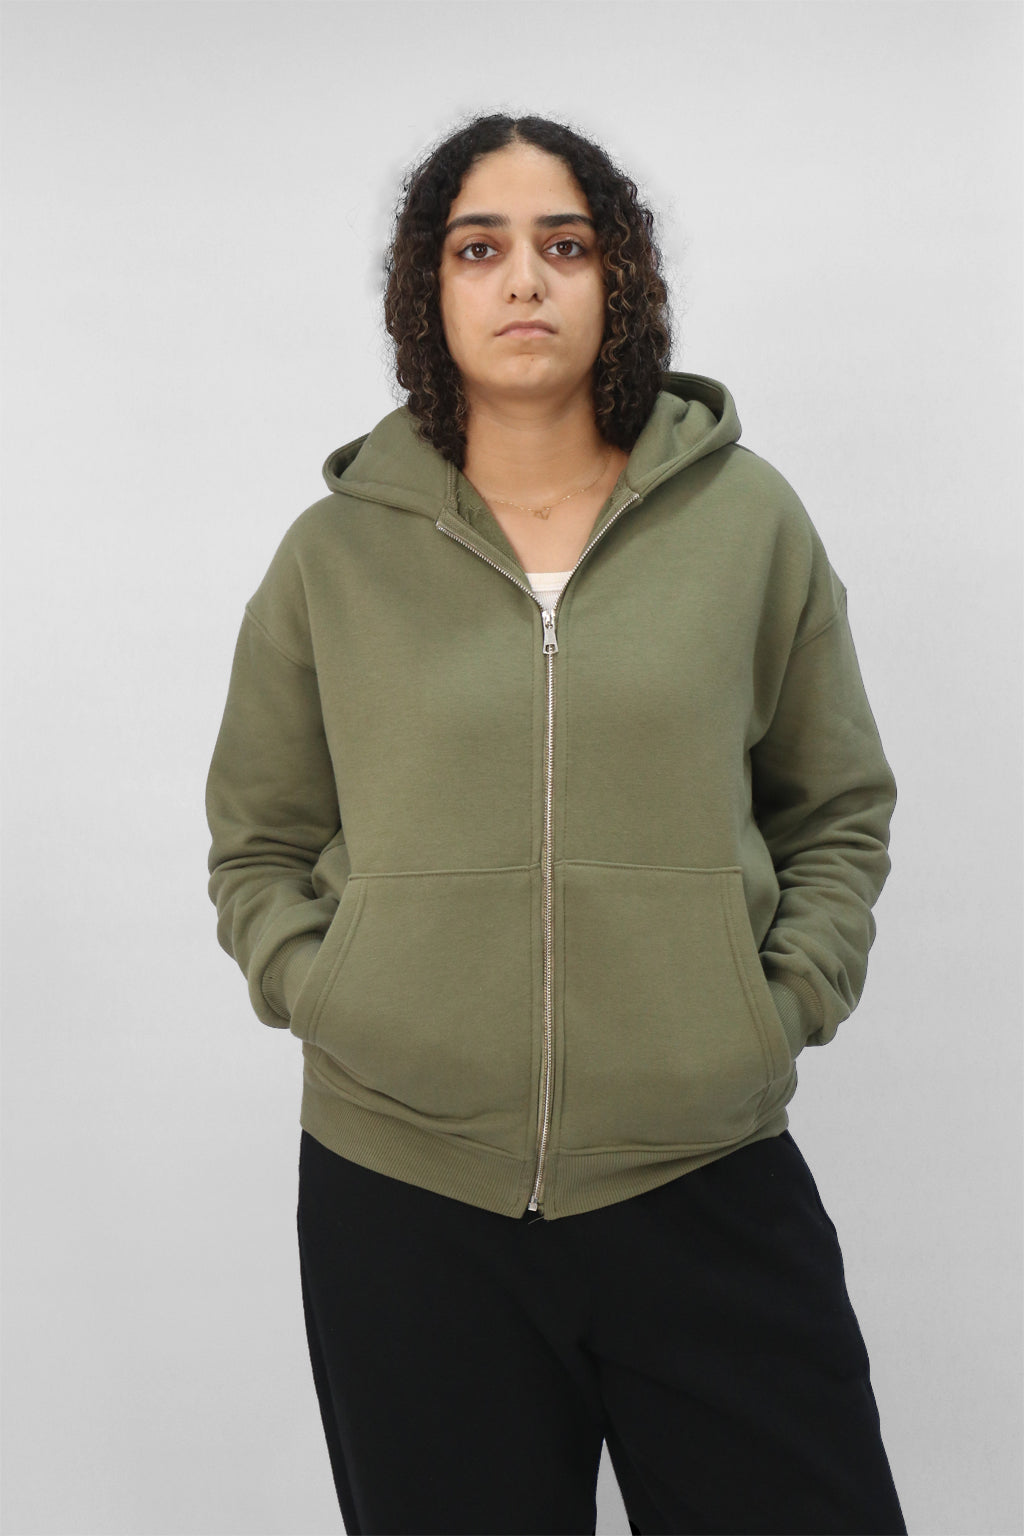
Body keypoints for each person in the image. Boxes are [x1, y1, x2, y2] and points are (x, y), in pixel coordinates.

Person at [205, 113, 907, 1536]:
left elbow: (836, 805)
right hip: (404, 1196)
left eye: (565, 244)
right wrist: (334, 995)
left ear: (618, 278)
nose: (524, 278)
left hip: (703, 1174)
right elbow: (259, 840)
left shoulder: (748, 523)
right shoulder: (334, 554)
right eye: (480, 248)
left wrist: (774, 1011)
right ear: (429, 288)